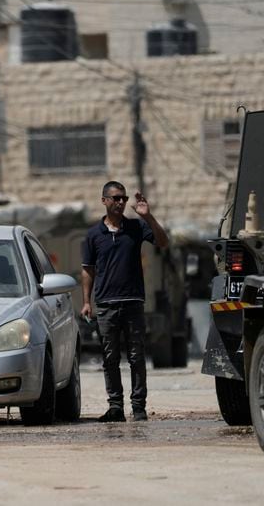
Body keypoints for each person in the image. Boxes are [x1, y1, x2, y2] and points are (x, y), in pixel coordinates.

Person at [81, 181, 169, 423]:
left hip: (132, 303)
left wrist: (148, 216)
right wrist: (86, 301)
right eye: (115, 198)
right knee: (110, 358)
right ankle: (115, 407)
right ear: (104, 201)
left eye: (123, 198)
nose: (120, 202)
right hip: (107, 305)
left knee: (136, 357)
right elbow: (88, 270)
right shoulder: (93, 235)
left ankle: (138, 407)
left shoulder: (136, 227)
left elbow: (163, 242)